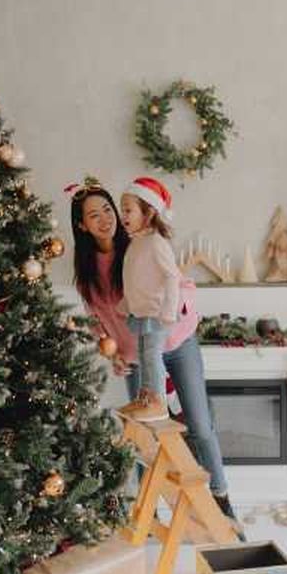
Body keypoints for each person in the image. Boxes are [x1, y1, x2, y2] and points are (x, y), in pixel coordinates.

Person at [69, 178, 239, 522]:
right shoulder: (86, 274)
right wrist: (111, 352)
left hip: (177, 343)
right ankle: (148, 513)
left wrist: (170, 316)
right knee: (142, 438)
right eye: (94, 215)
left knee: (200, 426)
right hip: (136, 358)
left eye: (109, 209)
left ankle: (221, 500)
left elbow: (180, 284)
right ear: (81, 225)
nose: (106, 218)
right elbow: (97, 321)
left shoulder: (140, 245)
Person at [115, 177, 180, 421]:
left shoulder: (156, 243)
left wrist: (168, 311)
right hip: (141, 313)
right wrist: (125, 305)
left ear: (149, 212)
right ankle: (145, 397)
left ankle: (159, 402)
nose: (123, 215)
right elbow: (134, 280)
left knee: (152, 356)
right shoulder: (136, 244)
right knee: (143, 356)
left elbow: (172, 277)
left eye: (128, 210)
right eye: (123, 210)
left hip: (156, 314)